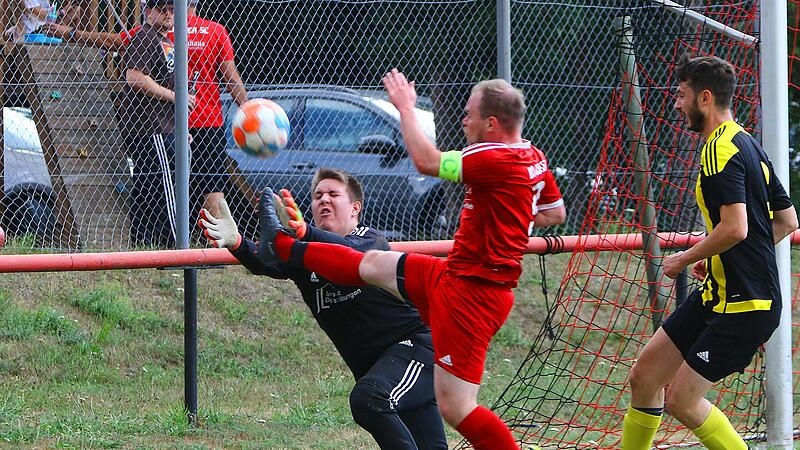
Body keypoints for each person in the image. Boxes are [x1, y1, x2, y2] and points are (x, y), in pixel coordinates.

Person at [254, 70, 566, 450]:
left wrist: (404, 107)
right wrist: (507, 213)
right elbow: (554, 212)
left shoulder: (491, 153)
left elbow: (425, 161)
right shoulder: (532, 155)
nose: (463, 120)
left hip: (474, 296)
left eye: (468, 114)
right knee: (372, 264)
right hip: (454, 275)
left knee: (456, 407)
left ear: (492, 123)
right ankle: (287, 245)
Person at [197, 168, 448, 450]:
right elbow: (265, 261)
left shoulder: (369, 240)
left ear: (355, 208)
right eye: (317, 196)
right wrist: (239, 243)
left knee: (371, 398)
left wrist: (305, 232)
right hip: (382, 366)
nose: (323, 200)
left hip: (418, 349)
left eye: (333, 194)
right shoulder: (306, 254)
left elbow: (346, 253)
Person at [621, 56, 798, 450]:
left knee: (682, 400)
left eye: (681, 95)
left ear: (704, 97)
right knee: (645, 376)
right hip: (718, 296)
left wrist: (683, 258)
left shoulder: (719, 152)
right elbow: (786, 220)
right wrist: (716, 256)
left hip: (745, 305)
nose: (676, 105)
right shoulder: (745, 141)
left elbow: (736, 227)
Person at [43, 0, 248, 218]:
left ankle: (178, 238)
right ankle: (216, 243)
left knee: (168, 185)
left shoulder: (155, 29)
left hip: (171, 121)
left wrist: (72, 33)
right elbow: (231, 78)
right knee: (212, 187)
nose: (168, 12)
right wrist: (250, 109)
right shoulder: (214, 31)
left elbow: (113, 41)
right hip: (206, 121)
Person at [118, 0, 188, 246]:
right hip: (150, 126)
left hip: (165, 125)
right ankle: (177, 244)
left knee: (150, 186)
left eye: (172, 9)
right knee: (167, 183)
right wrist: (176, 98)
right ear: (149, 12)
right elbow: (134, 77)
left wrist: (180, 126)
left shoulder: (166, 40)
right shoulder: (145, 37)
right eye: (163, 9)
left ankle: (145, 243)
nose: (169, 13)